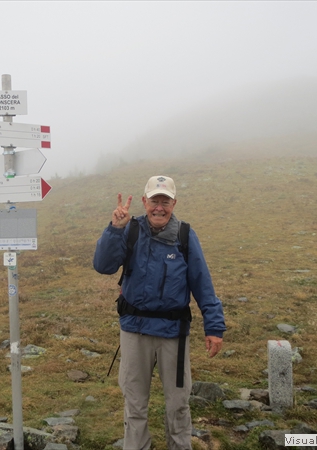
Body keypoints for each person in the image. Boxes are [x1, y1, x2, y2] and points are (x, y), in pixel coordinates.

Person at [93, 175, 226, 450]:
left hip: (173, 335)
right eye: (154, 201)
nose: (159, 208)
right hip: (135, 331)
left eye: (165, 202)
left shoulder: (185, 236)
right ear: (145, 202)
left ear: (174, 203)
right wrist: (115, 230)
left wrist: (214, 327)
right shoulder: (129, 231)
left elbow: (203, 283)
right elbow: (103, 266)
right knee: (135, 403)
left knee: (178, 404)